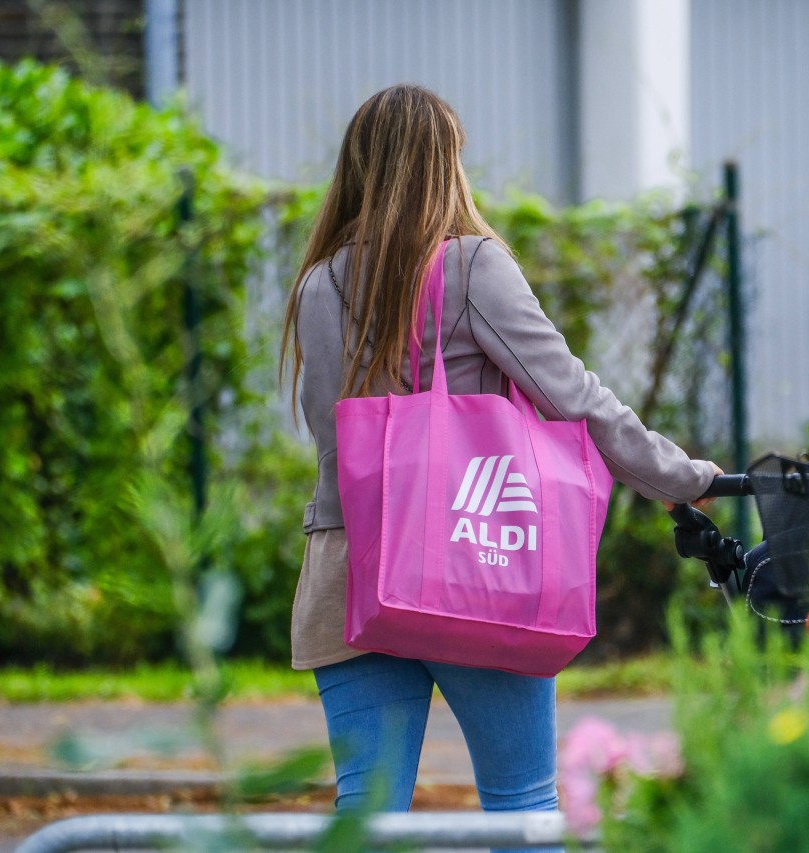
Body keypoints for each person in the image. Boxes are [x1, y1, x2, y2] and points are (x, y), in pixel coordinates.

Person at [279, 84, 721, 840]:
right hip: (472, 563)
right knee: (521, 804)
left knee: (366, 811)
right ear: (443, 166)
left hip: (350, 568)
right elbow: (573, 397)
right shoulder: (471, 266)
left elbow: (334, 431)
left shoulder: (317, 284)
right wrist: (680, 477)